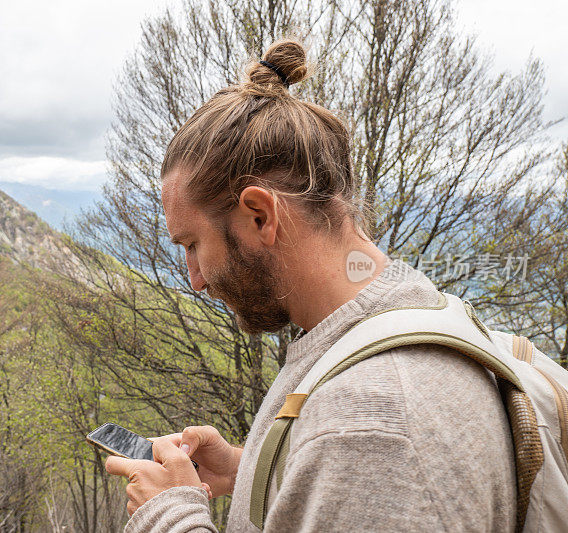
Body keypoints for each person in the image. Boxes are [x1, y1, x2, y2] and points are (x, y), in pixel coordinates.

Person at [105, 38, 515, 532]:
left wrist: (169, 516)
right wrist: (258, 468)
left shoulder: (370, 426)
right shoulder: (395, 319)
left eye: (192, 244)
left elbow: (371, 459)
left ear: (260, 216)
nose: (194, 280)